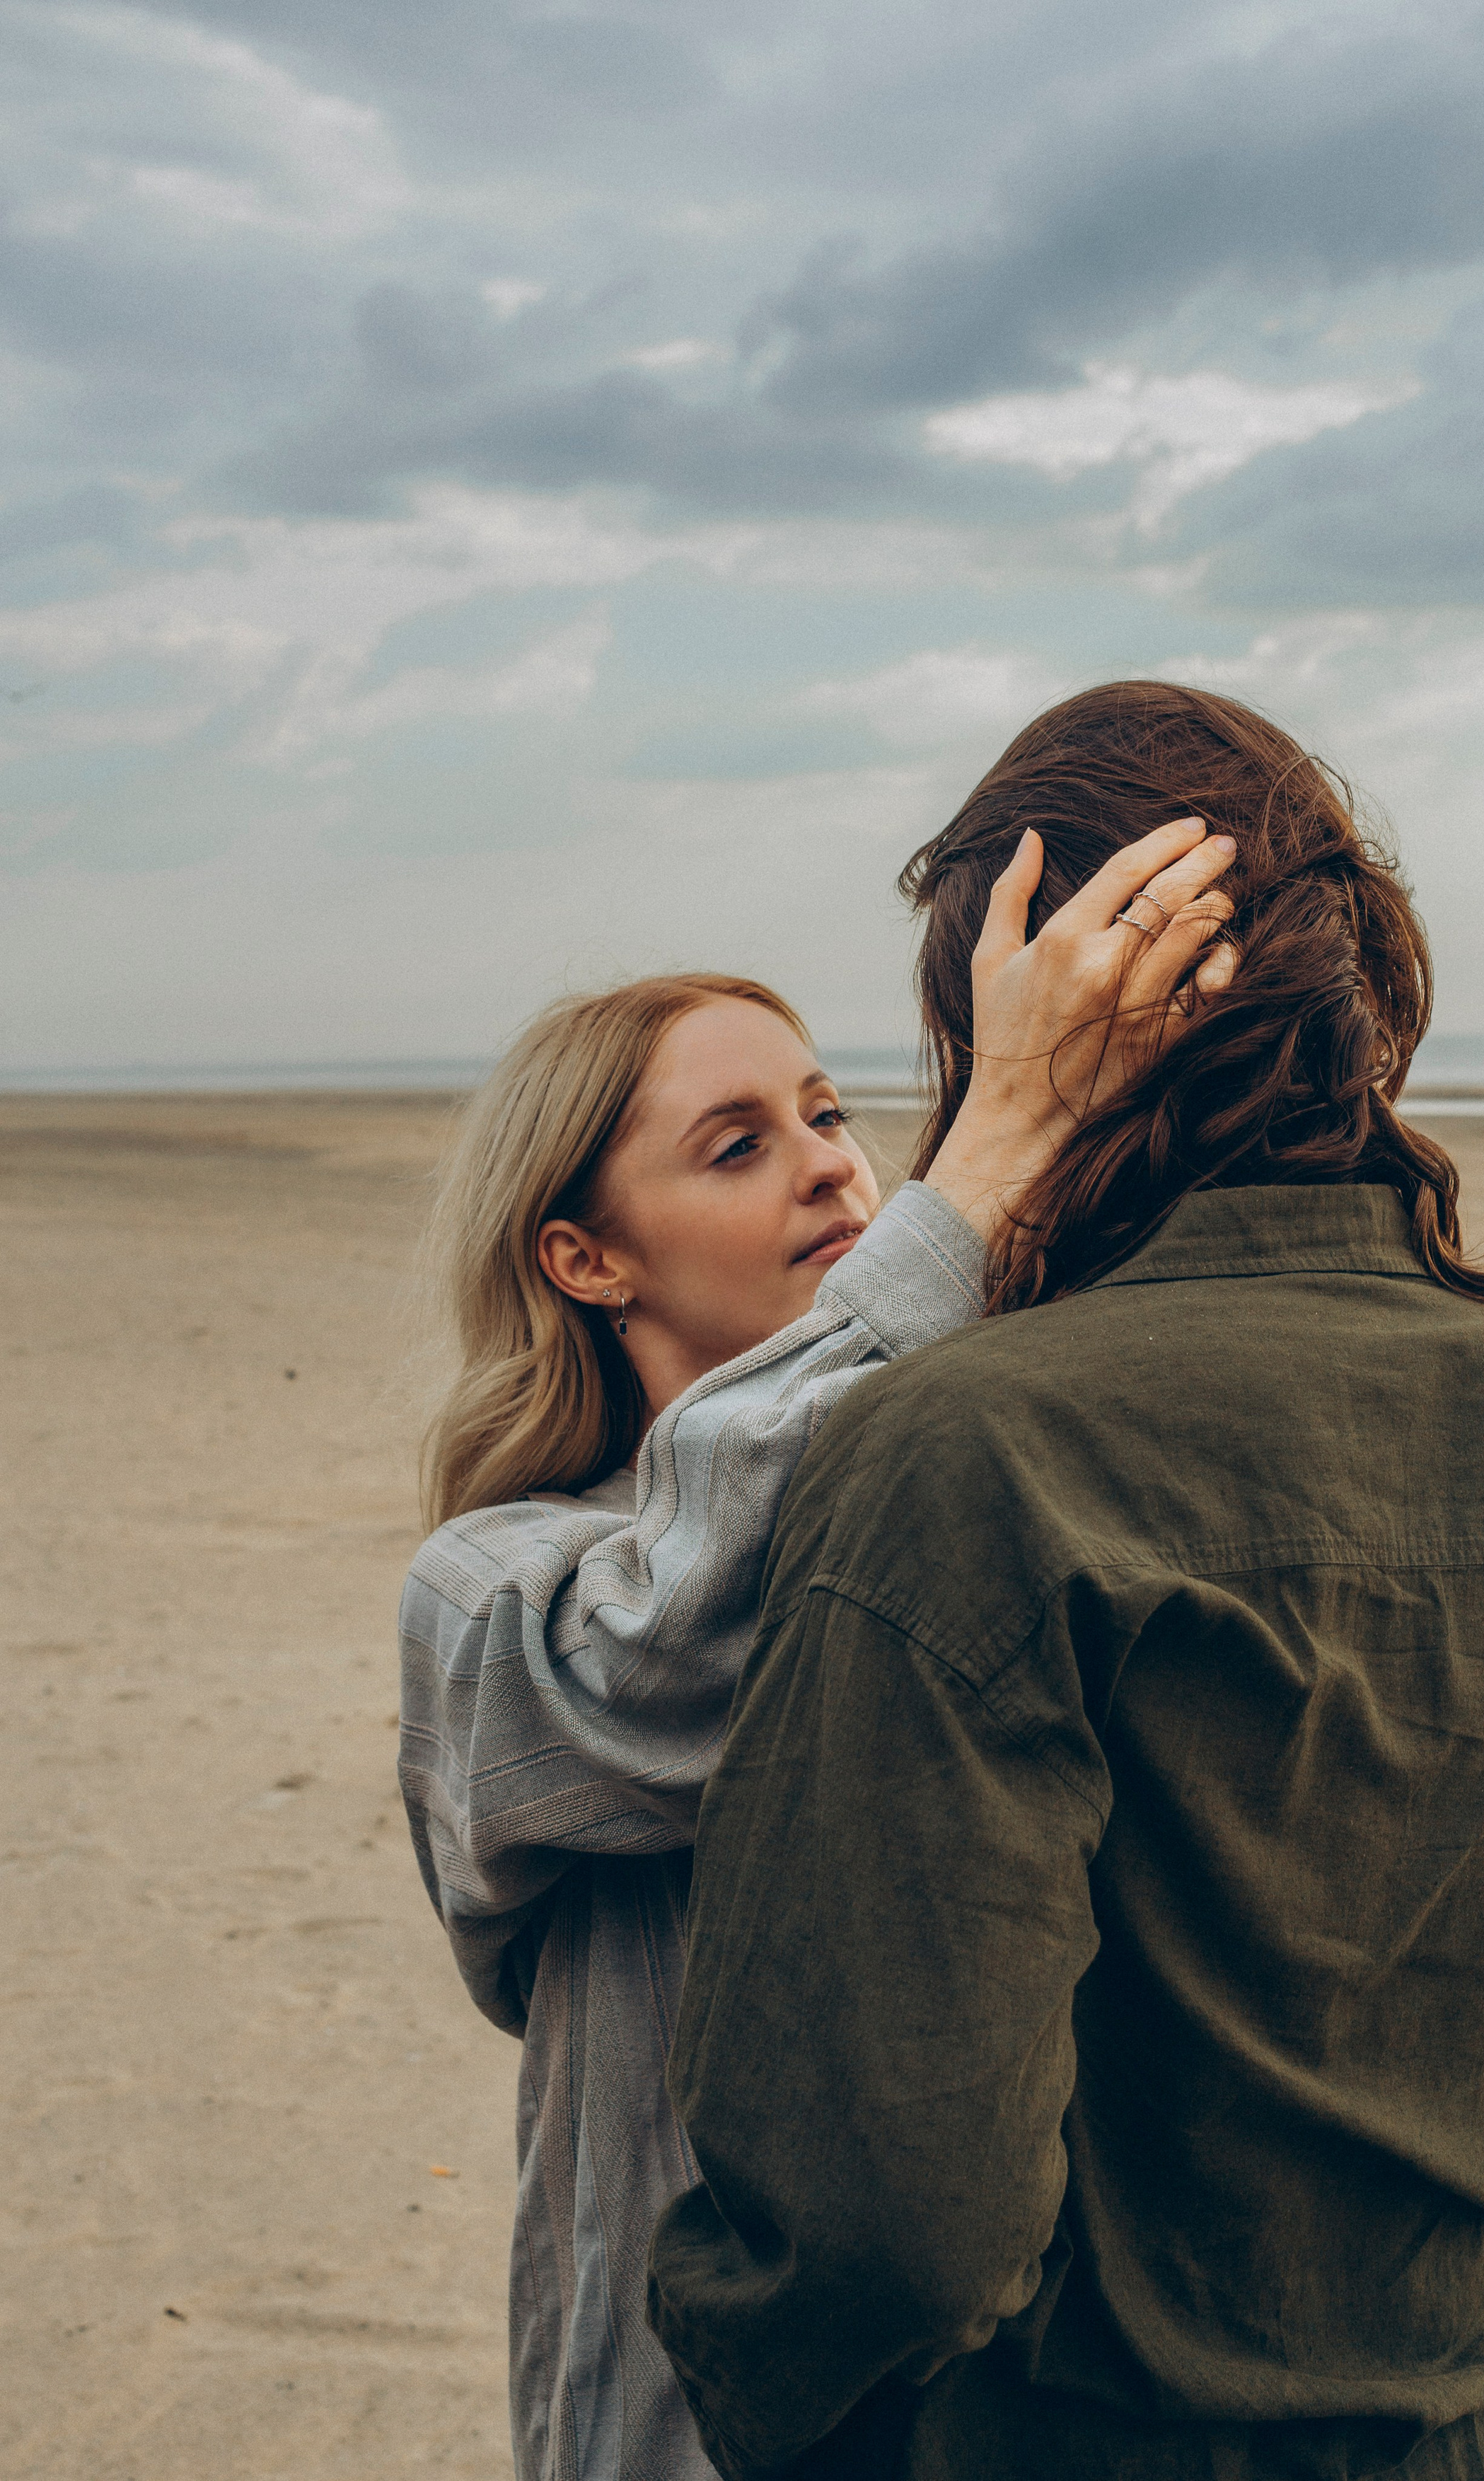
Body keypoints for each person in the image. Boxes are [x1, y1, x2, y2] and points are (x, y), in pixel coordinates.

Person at [646, 681, 1484, 2481]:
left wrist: (737, 2371)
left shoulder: (963, 1458)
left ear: (1014, 1027)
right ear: (1349, 1002)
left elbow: (882, 2216)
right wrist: (1351, 2181)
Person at [398, 815, 1241, 2481]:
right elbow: (693, 1637)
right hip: (690, 2424)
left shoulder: (975, 1490)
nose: (833, 1167)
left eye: (828, 1111)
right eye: (732, 1146)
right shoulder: (493, 1589)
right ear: (583, 1257)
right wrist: (992, 1149)